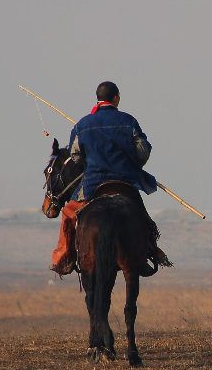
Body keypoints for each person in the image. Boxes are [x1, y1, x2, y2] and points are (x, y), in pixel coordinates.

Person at [50, 81, 170, 276]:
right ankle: (149, 250)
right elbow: (143, 151)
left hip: (92, 183)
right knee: (142, 216)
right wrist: (131, 163)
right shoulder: (129, 121)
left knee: (69, 213)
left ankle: (65, 256)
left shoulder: (83, 125)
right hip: (126, 179)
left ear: (98, 99)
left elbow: (75, 156)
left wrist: (90, 163)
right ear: (116, 98)